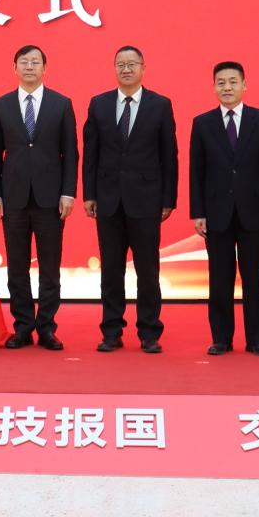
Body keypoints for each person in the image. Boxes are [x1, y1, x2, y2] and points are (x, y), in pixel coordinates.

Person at [81, 44, 177, 353]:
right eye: (120, 64)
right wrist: (89, 194)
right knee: (111, 270)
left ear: (143, 68)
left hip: (146, 200)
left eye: (132, 63)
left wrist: (168, 198)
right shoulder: (99, 104)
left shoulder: (160, 105)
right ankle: (111, 331)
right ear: (114, 69)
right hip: (108, 200)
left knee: (148, 270)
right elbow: (91, 154)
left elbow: (169, 156)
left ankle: (149, 332)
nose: (126, 69)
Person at [189, 61, 259, 357]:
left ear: (244, 85)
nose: (227, 87)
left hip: (254, 212)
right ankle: (221, 338)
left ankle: (257, 339)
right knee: (219, 279)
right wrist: (198, 212)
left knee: (254, 279)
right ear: (214, 87)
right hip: (216, 213)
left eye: (233, 82)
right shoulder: (202, 123)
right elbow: (196, 172)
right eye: (221, 82)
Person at [0, 44, 78, 351]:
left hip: (51, 199)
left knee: (50, 268)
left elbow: (71, 154)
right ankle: (23, 326)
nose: (29, 67)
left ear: (44, 68)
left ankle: (47, 328)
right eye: (24, 62)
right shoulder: (1, 105)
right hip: (13, 199)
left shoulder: (61, 104)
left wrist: (68, 192)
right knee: (17, 267)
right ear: (14, 68)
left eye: (35, 62)